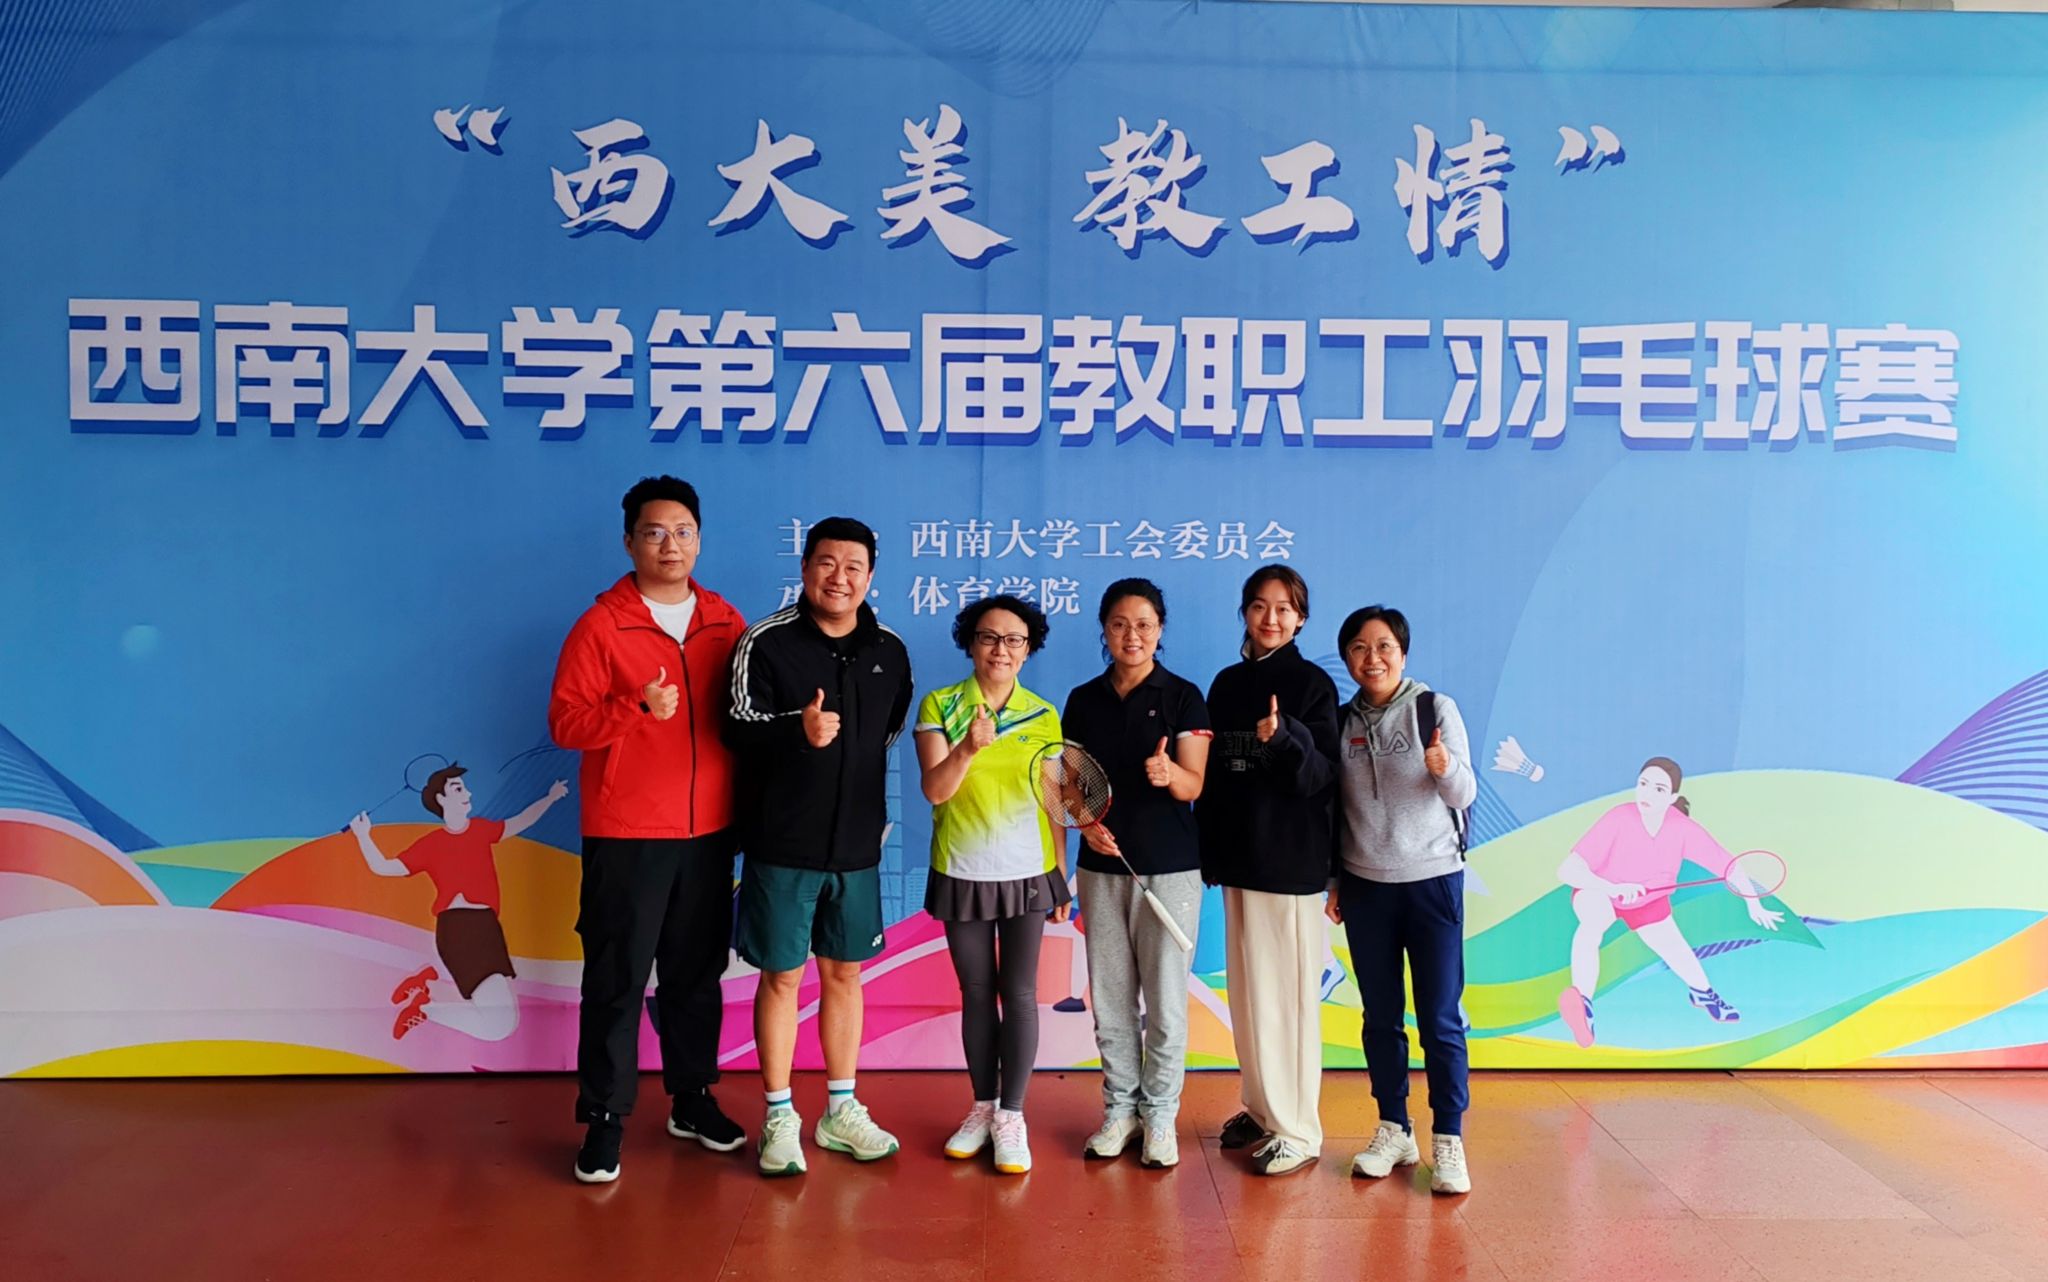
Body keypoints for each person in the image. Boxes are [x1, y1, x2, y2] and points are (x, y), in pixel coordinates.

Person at [548, 474, 749, 1186]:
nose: (671, 544)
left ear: (700, 540)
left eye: (684, 531)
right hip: (629, 832)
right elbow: (566, 723)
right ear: (629, 541)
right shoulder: (601, 626)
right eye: (655, 532)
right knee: (618, 979)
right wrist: (634, 707)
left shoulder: (725, 622)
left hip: (710, 831)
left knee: (697, 976)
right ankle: (604, 1120)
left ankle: (691, 1100)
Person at [726, 517, 914, 1177]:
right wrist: (797, 733)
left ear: (871, 575)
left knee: (845, 975)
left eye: (854, 566)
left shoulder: (890, 649)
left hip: (857, 846)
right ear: (805, 568)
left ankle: (841, 1110)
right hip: (783, 842)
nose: (840, 577)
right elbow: (735, 728)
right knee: (781, 977)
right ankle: (779, 1115)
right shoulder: (766, 641)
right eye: (827, 563)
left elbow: (886, 731)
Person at [914, 594, 1069, 1175]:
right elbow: (935, 790)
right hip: (963, 869)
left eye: (1013, 640)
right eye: (988, 637)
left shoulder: (1043, 714)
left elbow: (1054, 799)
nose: (1000, 649)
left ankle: (1012, 1115)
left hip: (1028, 871)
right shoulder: (941, 704)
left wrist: (1059, 874)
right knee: (977, 993)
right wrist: (968, 746)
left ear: (1028, 650)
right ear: (971, 643)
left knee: (1020, 993)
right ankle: (981, 1107)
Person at [1060, 578, 1210, 1168]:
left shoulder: (1183, 696)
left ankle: (1160, 1117)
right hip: (1101, 868)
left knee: (1166, 1003)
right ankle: (1119, 1111)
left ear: (1160, 630)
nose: (1132, 635)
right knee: (1112, 998)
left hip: (1169, 870)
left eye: (1144, 624)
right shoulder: (1083, 699)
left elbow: (1194, 784)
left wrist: (1169, 775)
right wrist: (1084, 822)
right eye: (1120, 624)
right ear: (1104, 629)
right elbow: (1071, 787)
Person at [1196, 565, 1340, 1177]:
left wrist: (1285, 739)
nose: (1271, 618)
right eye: (1260, 606)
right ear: (1245, 613)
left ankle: (1298, 1129)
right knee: (1250, 996)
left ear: (1301, 618)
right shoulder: (1227, 683)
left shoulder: (1312, 685)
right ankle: (1260, 1108)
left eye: (1284, 608)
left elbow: (1323, 777)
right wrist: (1210, 852)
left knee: (1288, 1002)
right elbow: (1214, 777)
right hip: (1239, 862)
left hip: (1291, 864)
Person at [1327, 605, 1475, 1195]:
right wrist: (1336, 882)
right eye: (1360, 648)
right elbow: (1335, 810)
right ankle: (1394, 1127)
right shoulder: (1341, 722)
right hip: (1365, 886)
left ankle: (1449, 1138)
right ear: (1347, 658)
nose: (1373, 658)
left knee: (1440, 1018)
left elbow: (1463, 792)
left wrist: (1444, 766)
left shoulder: (1433, 709)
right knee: (1380, 1016)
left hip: (1432, 880)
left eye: (1384, 646)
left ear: (1403, 653)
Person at [1556, 756, 1784, 1047]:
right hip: (1600, 890)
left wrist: (1754, 904)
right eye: (1643, 784)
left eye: (1659, 789)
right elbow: (1567, 870)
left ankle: (1703, 994)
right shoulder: (1618, 818)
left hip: (1649, 900)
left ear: (1673, 797)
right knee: (1593, 922)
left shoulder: (1683, 829)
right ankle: (1583, 1004)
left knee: (1675, 949)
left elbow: (1730, 867)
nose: (1647, 793)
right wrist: (1612, 887)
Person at [348, 764, 566, 1043]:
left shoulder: (481, 830)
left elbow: (521, 821)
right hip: (459, 930)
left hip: (486, 928)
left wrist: (550, 798)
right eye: (458, 788)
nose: (468, 793)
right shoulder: (431, 844)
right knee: (499, 1025)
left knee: (500, 1020)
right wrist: (363, 836)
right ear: (441, 798)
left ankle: (427, 987)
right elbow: (384, 867)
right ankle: (425, 1005)